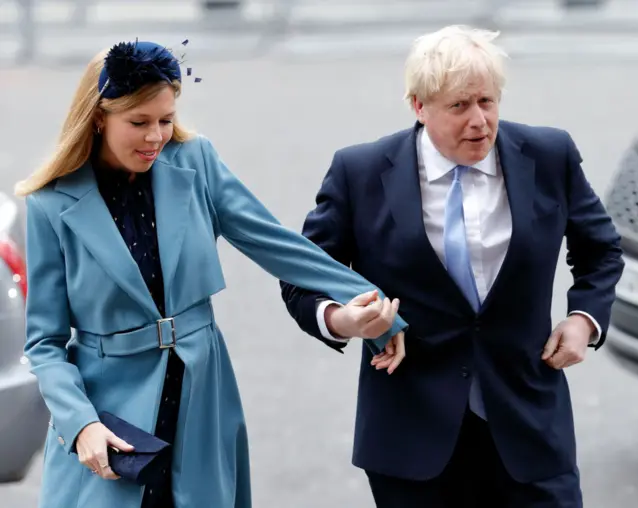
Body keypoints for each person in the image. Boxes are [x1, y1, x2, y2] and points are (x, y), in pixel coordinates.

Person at [17, 40, 408, 508]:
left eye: (165, 119)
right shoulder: (50, 204)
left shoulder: (195, 161)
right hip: (107, 417)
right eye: (138, 123)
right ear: (99, 117)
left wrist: (373, 302)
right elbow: (44, 343)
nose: (156, 137)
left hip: (200, 395)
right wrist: (80, 423)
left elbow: (274, 243)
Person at [280, 25, 624, 507]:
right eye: (459, 106)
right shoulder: (360, 173)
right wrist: (345, 319)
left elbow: (601, 249)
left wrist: (583, 319)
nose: (479, 121)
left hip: (528, 429)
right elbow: (302, 277)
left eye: (487, 101)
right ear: (419, 107)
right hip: (412, 441)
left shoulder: (549, 156)